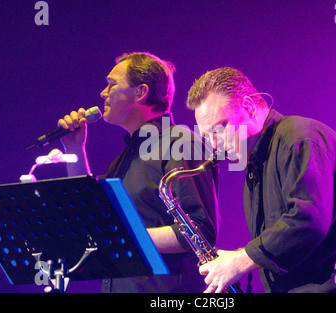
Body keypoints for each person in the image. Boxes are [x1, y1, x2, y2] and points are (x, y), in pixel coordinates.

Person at [186, 67, 336, 293]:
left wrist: (242, 259)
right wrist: (239, 256)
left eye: (218, 129)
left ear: (248, 107)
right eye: (207, 136)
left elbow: (308, 220)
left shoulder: (298, 138)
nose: (214, 145)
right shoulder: (257, 165)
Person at [57, 52, 219, 293]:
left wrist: (125, 236)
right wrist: (75, 150)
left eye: (111, 84)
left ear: (140, 92)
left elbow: (199, 231)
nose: (103, 92)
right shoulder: (125, 158)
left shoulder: (180, 142)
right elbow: (93, 213)